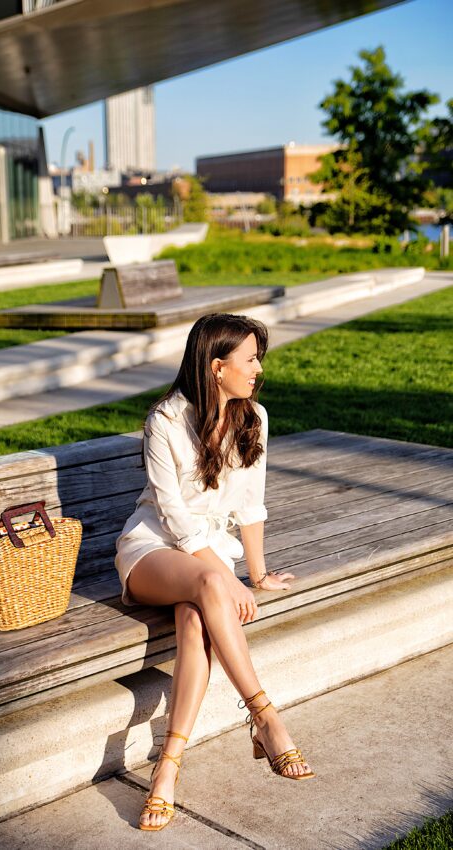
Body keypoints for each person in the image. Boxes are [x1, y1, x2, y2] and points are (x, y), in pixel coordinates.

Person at [114, 312, 315, 832]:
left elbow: (251, 504)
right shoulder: (165, 420)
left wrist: (257, 572)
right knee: (206, 586)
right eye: (250, 360)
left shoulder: (255, 418)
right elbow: (174, 518)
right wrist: (224, 578)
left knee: (196, 624)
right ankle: (265, 716)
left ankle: (167, 769)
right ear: (216, 366)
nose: (258, 370)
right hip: (152, 551)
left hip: (206, 560)